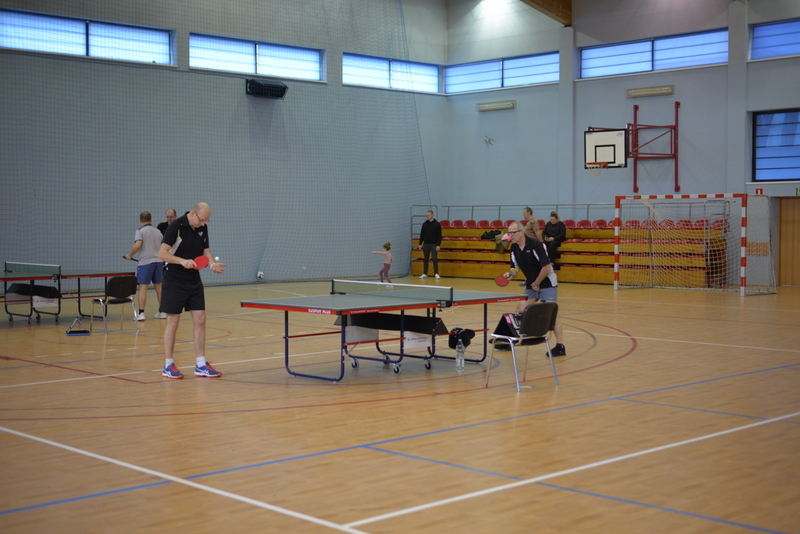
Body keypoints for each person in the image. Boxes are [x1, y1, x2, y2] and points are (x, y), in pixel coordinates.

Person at [158, 202, 227, 379]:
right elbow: (162, 253)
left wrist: (211, 265)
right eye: (202, 220)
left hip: (193, 278)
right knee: (173, 322)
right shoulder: (176, 227)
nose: (203, 224)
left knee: (200, 319)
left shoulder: (202, 228)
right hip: (174, 279)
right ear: (193, 213)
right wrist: (181, 261)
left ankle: (201, 364)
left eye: (206, 221)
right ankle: (168, 365)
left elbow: (205, 250)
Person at [499, 221, 566, 357]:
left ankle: (560, 346)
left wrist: (537, 283)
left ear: (521, 233)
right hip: (532, 283)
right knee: (520, 310)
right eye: (509, 233)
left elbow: (546, 267)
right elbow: (515, 268)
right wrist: (509, 274)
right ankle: (512, 341)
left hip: (547, 282)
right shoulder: (514, 248)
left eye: (512, 233)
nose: (510, 235)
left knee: (551, 314)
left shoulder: (536, 245)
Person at [123, 211, 165, 320]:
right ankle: (162, 311)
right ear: (151, 219)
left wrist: (129, 255)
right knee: (159, 288)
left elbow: (138, 245)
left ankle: (141, 313)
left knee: (143, 287)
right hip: (158, 262)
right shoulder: (158, 232)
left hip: (146, 263)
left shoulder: (140, 231)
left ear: (140, 220)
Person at [417, 210, 442, 279]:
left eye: (428, 215)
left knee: (434, 258)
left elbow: (439, 235)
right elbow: (422, 234)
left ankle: (436, 273)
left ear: (432, 215)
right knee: (425, 259)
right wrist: (420, 243)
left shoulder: (437, 224)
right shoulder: (425, 224)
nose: (427, 216)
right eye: (426, 215)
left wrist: (438, 244)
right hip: (426, 244)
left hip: (434, 244)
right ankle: (425, 273)